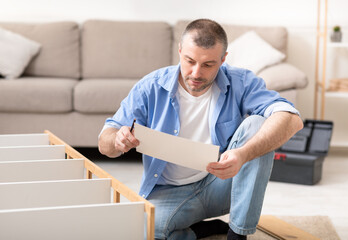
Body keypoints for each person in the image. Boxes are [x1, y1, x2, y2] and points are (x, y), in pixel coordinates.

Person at [98, 19, 303, 240]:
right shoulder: (151, 86)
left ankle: (237, 234)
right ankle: (199, 230)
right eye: (189, 61)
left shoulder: (240, 81)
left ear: (223, 59)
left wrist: (243, 154)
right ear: (179, 51)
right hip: (170, 192)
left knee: (257, 125)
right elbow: (104, 142)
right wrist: (117, 140)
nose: (196, 73)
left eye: (208, 65)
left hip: (223, 184)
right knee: (142, 228)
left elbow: (292, 119)